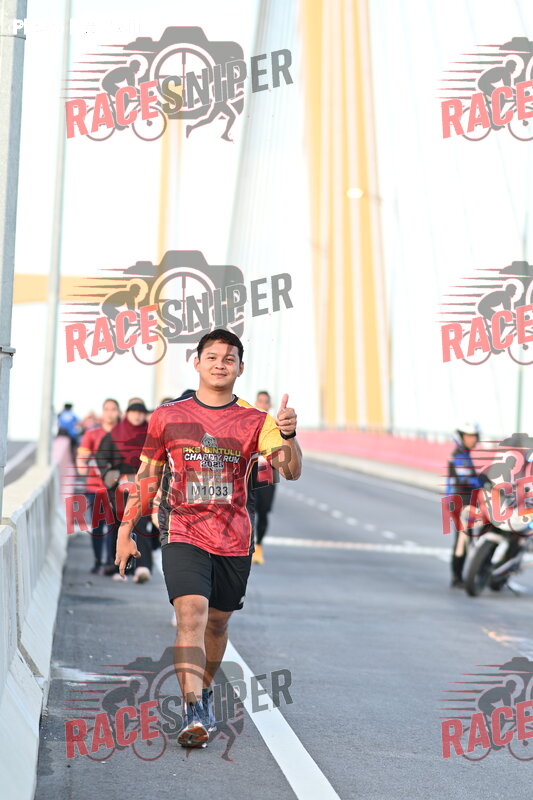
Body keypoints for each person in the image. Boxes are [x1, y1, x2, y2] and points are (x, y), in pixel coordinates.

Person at [114, 329, 302, 749]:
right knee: (191, 614)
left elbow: (290, 470)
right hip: (182, 529)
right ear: (196, 363)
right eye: (212, 357)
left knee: (217, 622)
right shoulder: (167, 417)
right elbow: (147, 477)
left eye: (229, 358)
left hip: (233, 537)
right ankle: (193, 707)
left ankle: (205, 688)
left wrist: (289, 437)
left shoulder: (257, 421)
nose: (220, 364)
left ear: (240, 367)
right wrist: (126, 531)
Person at [96, 400, 154, 583]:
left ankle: (143, 567)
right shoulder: (115, 434)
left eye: (140, 412)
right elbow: (101, 457)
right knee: (120, 527)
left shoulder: (151, 434)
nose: (137, 416)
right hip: (120, 490)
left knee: (141, 525)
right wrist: (111, 477)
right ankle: (122, 569)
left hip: (145, 486)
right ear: (127, 414)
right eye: (133, 412)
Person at [76, 398, 121, 573]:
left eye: (113, 409)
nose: (110, 413)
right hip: (94, 487)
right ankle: (97, 561)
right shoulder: (92, 434)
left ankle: (111, 561)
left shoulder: (123, 434)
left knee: (114, 526)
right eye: (107, 409)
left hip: (117, 489)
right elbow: (82, 457)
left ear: (118, 412)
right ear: (103, 412)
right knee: (98, 526)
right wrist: (81, 467)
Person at [446, 422, 483, 588]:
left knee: (468, 538)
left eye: (474, 436)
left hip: (466, 502)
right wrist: (483, 481)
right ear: (461, 437)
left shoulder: (465, 454)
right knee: (462, 539)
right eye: (468, 436)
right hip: (460, 503)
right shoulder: (459, 456)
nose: (472, 439)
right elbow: (465, 479)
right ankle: (457, 577)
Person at [252, 390, 278, 565]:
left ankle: (259, 545)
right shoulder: (249, 422)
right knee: (249, 508)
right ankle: (248, 545)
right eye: (260, 401)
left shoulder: (274, 426)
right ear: (256, 403)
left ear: (269, 405)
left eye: (265, 402)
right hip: (251, 472)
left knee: (263, 511)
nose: (262, 404)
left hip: (268, 473)